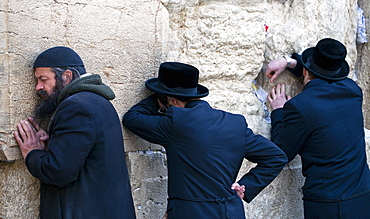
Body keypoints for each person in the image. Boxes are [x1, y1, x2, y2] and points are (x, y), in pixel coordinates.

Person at [122, 62, 287, 219]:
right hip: (232, 212)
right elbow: (276, 157)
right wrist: (246, 186)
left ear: (172, 100)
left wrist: (157, 97)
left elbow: (132, 118)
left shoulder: (176, 123)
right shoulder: (235, 123)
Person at [14, 46, 136, 219]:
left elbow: (59, 171)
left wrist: (33, 152)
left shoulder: (76, 107)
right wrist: (53, 144)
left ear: (67, 76)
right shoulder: (97, 101)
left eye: (43, 79)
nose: (38, 87)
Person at [266, 38, 370, 219]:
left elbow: (280, 153)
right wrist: (289, 62)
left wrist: (279, 111)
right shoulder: (353, 90)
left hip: (329, 206)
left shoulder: (301, 106)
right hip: (362, 196)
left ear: (306, 70)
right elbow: (320, 79)